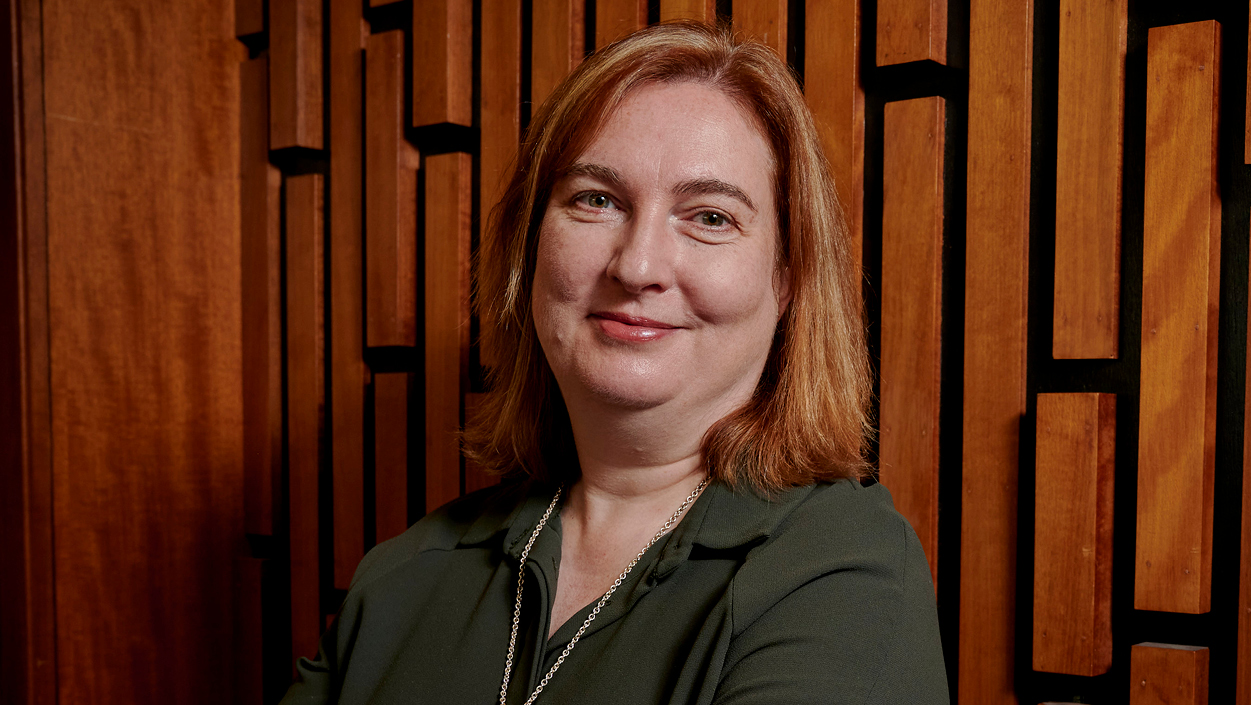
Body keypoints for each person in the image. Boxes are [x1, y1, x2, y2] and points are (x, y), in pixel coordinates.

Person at [278, 20, 948, 705]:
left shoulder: (842, 574)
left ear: (786, 280)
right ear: (529, 249)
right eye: (596, 200)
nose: (637, 265)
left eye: (710, 216)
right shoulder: (401, 577)